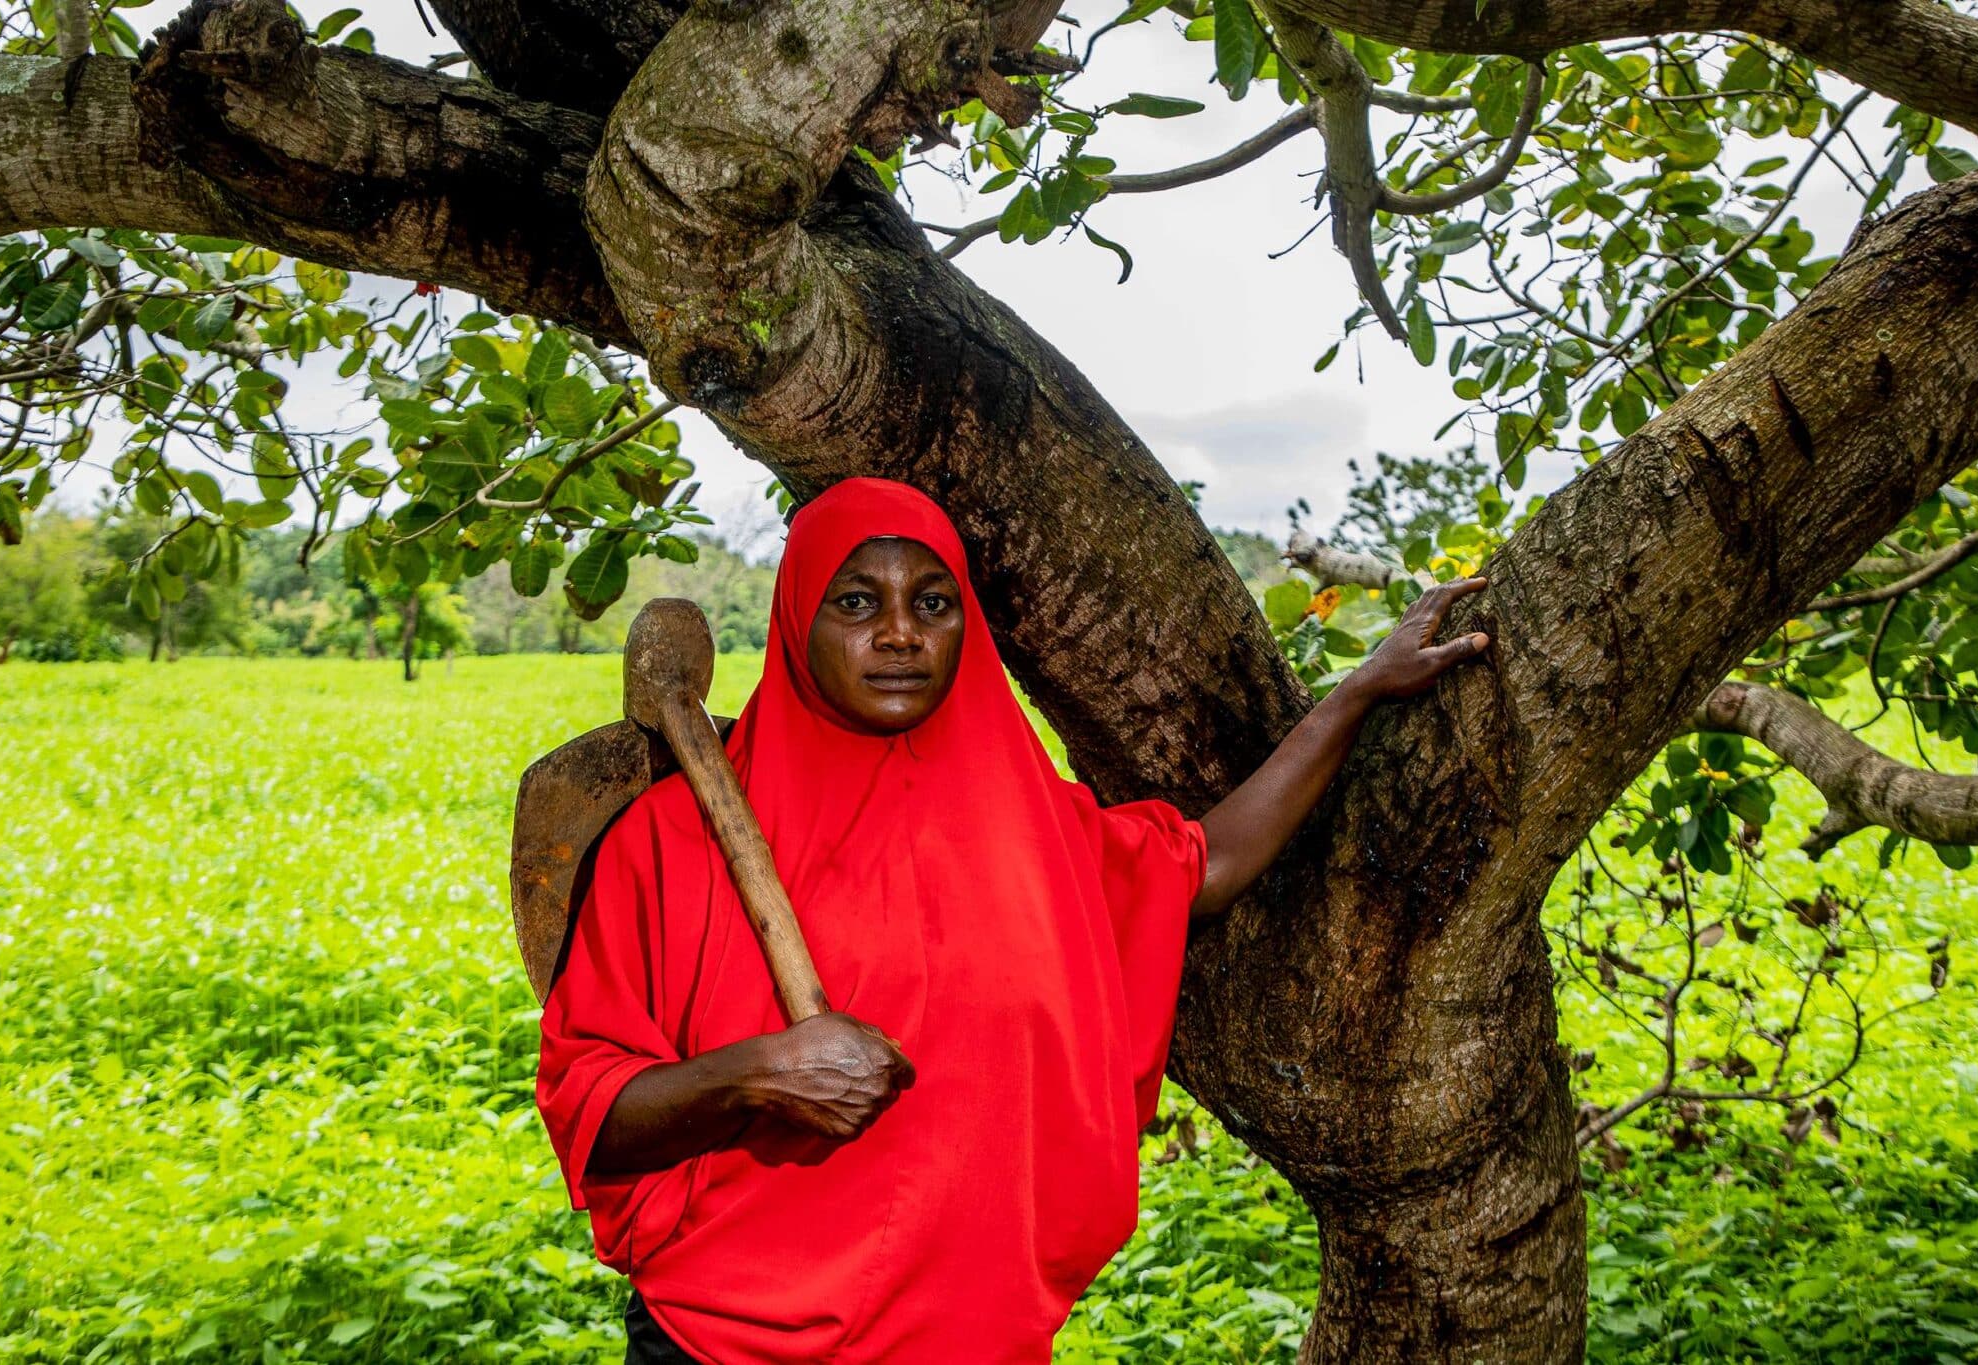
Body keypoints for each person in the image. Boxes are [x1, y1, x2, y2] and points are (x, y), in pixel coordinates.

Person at [534, 477, 1489, 1364]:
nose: (901, 633)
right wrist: (758, 1073)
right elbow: (592, 1117)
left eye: (933, 602)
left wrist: (1357, 692)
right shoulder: (670, 843)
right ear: (796, 621)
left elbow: (1213, 859)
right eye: (858, 601)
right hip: (727, 1342)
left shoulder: (1034, 829)